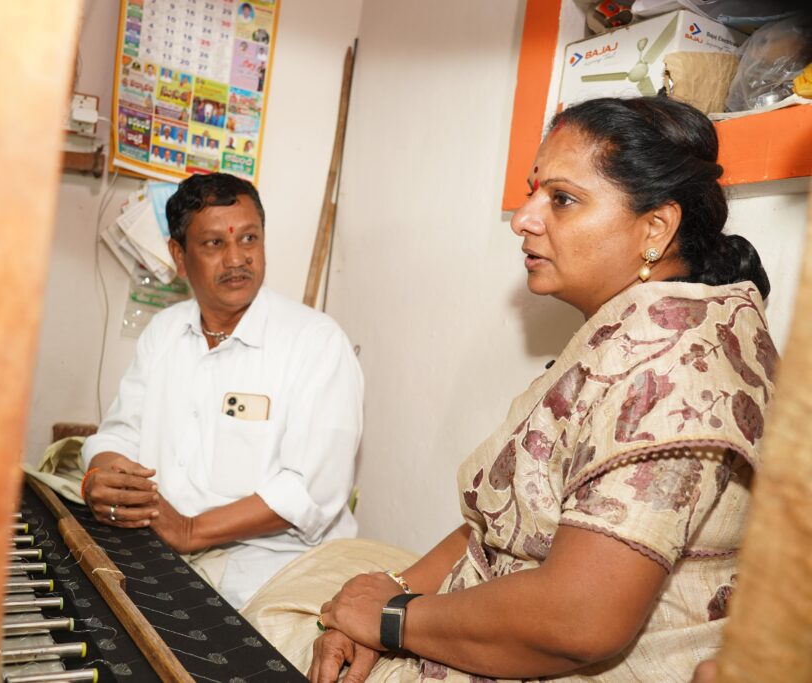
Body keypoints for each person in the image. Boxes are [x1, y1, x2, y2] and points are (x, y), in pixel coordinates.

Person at [241, 96, 776, 682]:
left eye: (562, 199)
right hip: (495, 607)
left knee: (269, 629)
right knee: (321, 591)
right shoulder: (649, 330)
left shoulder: (671, 366)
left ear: (655, 228)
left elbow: (579, 623)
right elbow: (498, 525)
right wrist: (382, 598)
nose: (524, 217)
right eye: (532, 191)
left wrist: (391, 619)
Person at [81, 173, 364, 608]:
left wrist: (191, 531)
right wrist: (104, 477)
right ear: (179, 255)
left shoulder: (317, 342)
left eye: (249, 239)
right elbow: (120, 433)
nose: (237, 258)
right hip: (161, 552)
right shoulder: (165, 332)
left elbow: (311, 493)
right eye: (214, 244)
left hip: (275, 572)